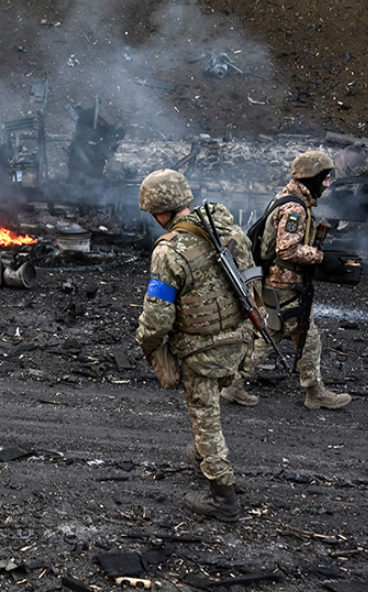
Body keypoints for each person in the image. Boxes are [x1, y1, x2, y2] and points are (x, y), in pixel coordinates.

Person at [135, 168, 255, 523]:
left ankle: (223, 495)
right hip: (240, 339)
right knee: (212, 405)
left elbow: (157, 317)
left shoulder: (169, 251)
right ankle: (205, 455)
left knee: (206, 417)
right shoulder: (232, 232)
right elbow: (253, 285)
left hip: (201, 351)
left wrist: (146, 344)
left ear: (160, 212)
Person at [221, 151, 351, 410]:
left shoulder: (285, 198)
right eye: (325, 179)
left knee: (272, 333)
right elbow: (286, 250)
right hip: (285, 283)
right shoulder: (295, 208)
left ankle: (234, 384)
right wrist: (322, 257)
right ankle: (315, 392)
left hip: (274, 281)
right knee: (306, 336)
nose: (327, 185)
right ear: (312, 177)